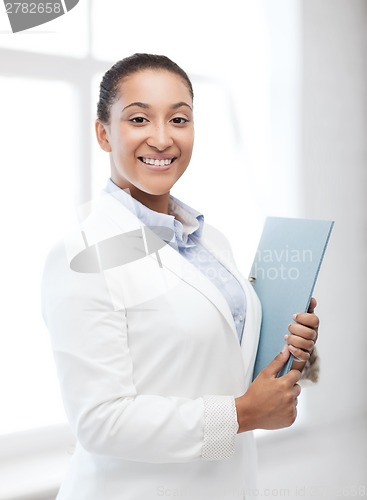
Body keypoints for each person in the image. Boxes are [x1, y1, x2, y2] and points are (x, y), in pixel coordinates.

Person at [41, 53, 319, 500]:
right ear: (103, 133)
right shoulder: (82, 256)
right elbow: (101, 421)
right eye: (138, 119)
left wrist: (290, 349)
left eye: (179, 119)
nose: (162, 138)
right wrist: (242, 415)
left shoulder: (211, 242)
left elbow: (215, 362)